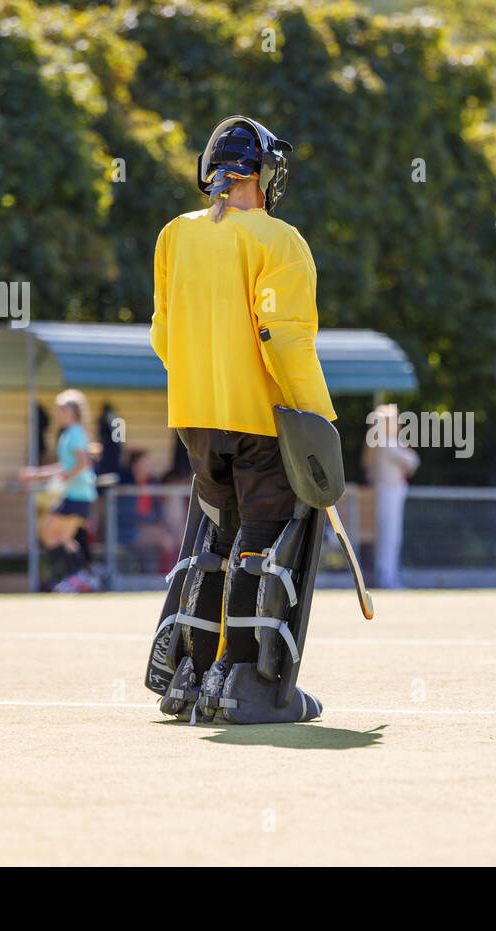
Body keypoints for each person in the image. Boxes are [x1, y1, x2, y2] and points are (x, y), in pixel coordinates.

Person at [146, 114, 334, 724]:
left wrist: (205, 379)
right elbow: (282, 340)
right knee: (259, 546)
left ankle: (195, 674)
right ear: (266, 175)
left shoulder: (175, 234)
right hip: (260, 418)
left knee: (216, 542)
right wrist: (320, 423)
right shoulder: (280, 241)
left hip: (195, 416)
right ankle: (242, 681)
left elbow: (163, 335)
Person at [18, 389, 98, 590]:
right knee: (63, 539)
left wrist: (65, 477)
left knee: (46, 532)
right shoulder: (70, 433)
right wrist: (37, 474)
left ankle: (79, 576)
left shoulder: (74, 433)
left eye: (59, 408)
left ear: (69, 411)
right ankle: (82, 576)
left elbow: (83, 462)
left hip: (77, 494)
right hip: (77, 495)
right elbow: (67, 465)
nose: (56, 413)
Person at [362, 403, 419, 589]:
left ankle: (389, 575)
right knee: (389, 537)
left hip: (392, 493)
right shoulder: (385, 443)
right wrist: (405, 450)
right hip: (388, 493)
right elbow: (412, 461)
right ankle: (387, 577)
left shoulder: (384, 442)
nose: (398, 424)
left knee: (391, 537)